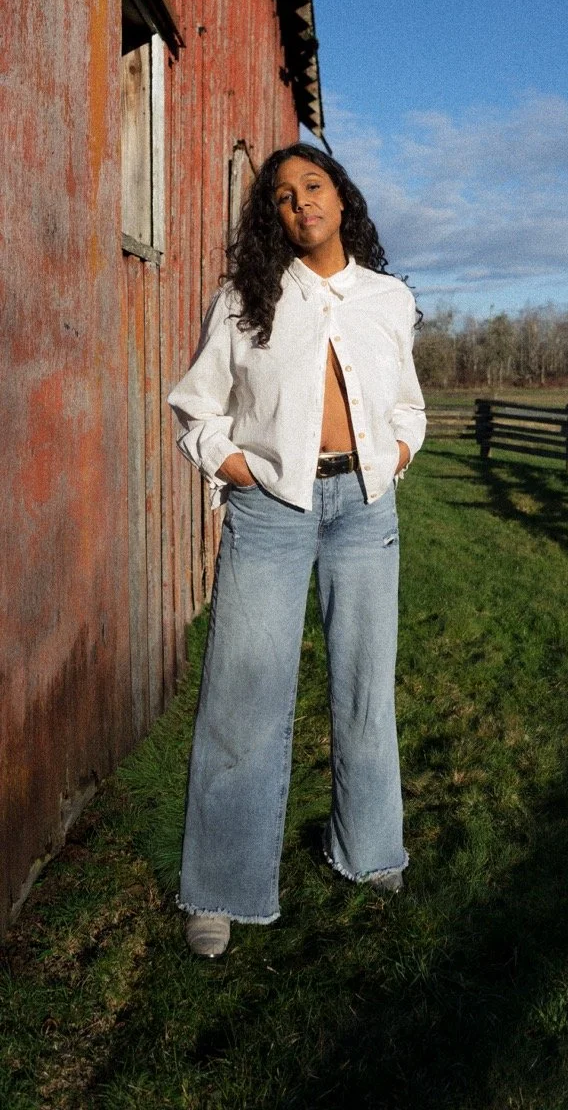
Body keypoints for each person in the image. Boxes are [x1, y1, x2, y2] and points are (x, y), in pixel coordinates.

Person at [167, 143, 426, 958]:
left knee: (363, 684)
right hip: (273, 508)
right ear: (270, 217)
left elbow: (407, 404)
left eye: (312, 187)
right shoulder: (246, 299)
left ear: (340, 199)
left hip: (363, 507)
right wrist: (234, 465)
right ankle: (219, 887)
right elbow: (198, 407)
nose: (299, 203)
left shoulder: (388, 298)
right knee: (242, 694)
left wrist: (398, 453)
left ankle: (369, 849)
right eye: (281, 197)